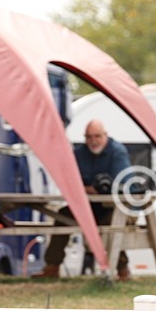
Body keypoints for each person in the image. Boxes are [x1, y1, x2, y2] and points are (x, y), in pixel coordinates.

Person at [34, 119, 131, 281]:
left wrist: (96, 189)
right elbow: (68, 181)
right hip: (85, 206)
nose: (93, 141)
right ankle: (52, 266)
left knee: (112, 226)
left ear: (105, 135)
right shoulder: (79, 154)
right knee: (62, 217)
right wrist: (90, 189)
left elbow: (121, 183)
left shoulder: (117, 152)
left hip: (112, 207)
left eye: (97, 136)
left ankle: (122, 269)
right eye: (89, 137)